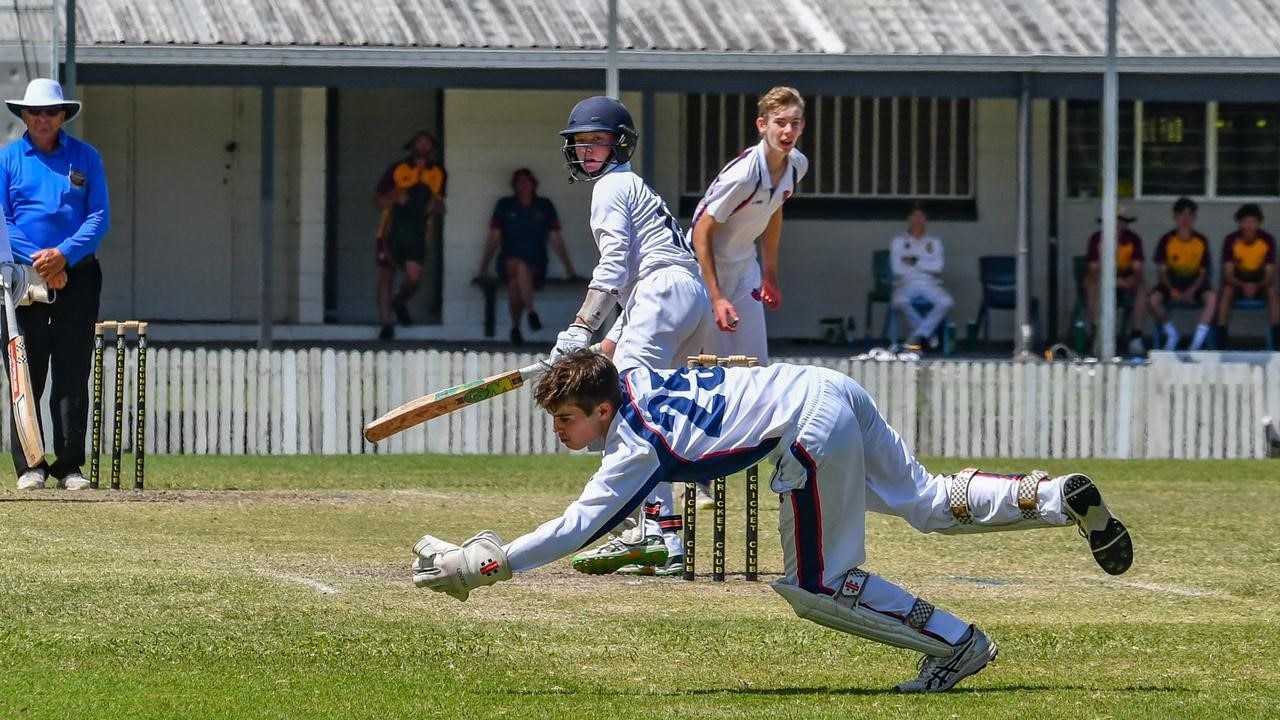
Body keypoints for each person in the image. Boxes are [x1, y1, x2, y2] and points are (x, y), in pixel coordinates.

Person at [410, 349, 1134, 693]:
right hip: (826, 384)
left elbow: (577, 528)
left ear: (602, 408)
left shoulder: (636, 442)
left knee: (817, 582)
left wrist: (487, 564)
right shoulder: (628, 369)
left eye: (567, 420)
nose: (563, 433)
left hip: (804, 427)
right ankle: (1051, 495)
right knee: (923, 500)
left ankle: (958, 644)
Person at [544, 95, 718, 576]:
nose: (588, 152)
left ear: (620, 145)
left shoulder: (610, 188)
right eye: (581, 143)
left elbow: (616, 265)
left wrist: (580, 326)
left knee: (629, 409)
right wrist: (599, 345)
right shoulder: (632, 186)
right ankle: (661, 533)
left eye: (598, 142)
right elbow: (639, 280)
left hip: (661, 291)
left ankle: (658, 532)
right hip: (683, 296)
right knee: (634, 397)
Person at [0, 78, 108, 490]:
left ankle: (69, 466)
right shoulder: (8, 160)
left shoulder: (86, 158)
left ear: (62, 115)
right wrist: (43, 262)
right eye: (35, 112)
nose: (42, 119)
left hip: (77, 271)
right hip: (21, 274)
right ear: (24, 116)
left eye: (50, 112)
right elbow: (3, 221)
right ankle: (30, 464)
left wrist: (64, 254)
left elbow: (99, 217)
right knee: (24, 369)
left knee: (72, 365)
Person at [690, 86, 808, 363]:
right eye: (780, 123)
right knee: (713, 369)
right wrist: (716, 297)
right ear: (762, 125)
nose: (787, 131)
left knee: (756, 366)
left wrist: (770, 274)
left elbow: (774, 209)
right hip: (704, 274)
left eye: (795, 123)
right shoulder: (743, 176)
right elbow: (701, 231)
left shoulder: (797, 165)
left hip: (745, 268)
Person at [475, 168, 580, 345]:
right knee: (518, 265)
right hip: (507, 260)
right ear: (514, 186)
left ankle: (515, 327)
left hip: (537, 261)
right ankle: (531, 312)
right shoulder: (505, 205)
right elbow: (494, 238)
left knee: (516, 281)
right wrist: (484, 267)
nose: (523, 185)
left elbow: (555, 239)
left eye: (527, 181)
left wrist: (569, 269)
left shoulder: (544, 205)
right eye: (519, 182)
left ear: (533, 184)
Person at [374, 130, 446, 340]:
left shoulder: (438, 173)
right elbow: (378, 201)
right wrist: (396, 197)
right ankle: (386, 323)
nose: (423, 146)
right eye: (419, 142)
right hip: (390, 231)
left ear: (432, 147)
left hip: (418, 233)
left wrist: (435, 204)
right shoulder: (398, 169)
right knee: (386, 275)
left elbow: (441, 205)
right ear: (412, 145)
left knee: (414, 276)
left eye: (427, 142)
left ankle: (400, 301)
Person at [1148, 197, 1216, 351]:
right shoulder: (1166, 239)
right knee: (1153, 299)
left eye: (1190, 215)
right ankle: (1172, 335)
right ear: (1175, 217)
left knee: (1212, 298)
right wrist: (1172, 290)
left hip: (1195, 285)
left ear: (1195, 218)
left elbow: (1203, 271)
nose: (1186, 219)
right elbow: (1162, 272)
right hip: (1171, 285)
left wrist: (1192, 289)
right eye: (1182, 214)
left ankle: (1196, 344)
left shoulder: (1201, 240)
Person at [1215, 203, 1280, 350]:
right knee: (1226, 291)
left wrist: (1256, 285)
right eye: (1245, 221)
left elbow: (1270, 274)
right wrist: (1242, 285)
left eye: (1253, 222)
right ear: (1239, 223)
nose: (1249, 226)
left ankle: (1277, 345)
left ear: (1259, 223)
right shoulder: (1231, 240)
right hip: (1237, 284)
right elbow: (1228, 273)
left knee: (1273, 291)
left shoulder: (1267, 240)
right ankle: (1220, 345)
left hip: (1260, 284)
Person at [1083, 208, 1147, 355]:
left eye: (1121, 222)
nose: (1117, 225)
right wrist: (1111, 281)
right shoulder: (1096, 239)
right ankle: (1097, 332)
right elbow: (1093, 269)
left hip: (1125, 279)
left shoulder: (1133, 239)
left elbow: (1137, 269)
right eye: (1113, 221)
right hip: (1102, 279)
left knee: (1142, 288)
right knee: (1091, 285)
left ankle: (1136, 337)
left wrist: (1131, 280)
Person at [889, 204, 953, 350]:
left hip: (929, 283)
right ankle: (927, 335)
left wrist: (914, 261)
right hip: (906, 282)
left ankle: (916, 336)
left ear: (925, 219)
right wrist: (926, 265)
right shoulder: (899, 242)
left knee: (946, 301)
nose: (918, 220)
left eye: (921, 216)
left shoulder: (934, 242)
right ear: (909, 219)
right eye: (915, 216)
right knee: (899, 301)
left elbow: (938, 267)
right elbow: (897, 269)